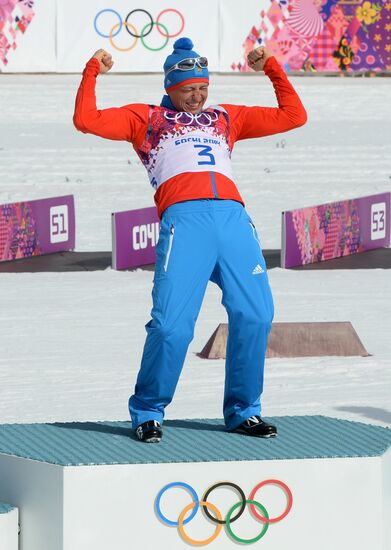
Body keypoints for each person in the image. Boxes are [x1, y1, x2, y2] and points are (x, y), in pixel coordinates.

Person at [73, 37, 307, 443]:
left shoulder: (226, 117)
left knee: (256, 316)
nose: (197, 97)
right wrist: (92, 69)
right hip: (185, 224)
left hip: (234, 221)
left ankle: (243, 411)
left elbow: (294, 116)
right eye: (187, 90)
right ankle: (148, 410)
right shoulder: (144, 118)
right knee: (171, 327)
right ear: (170, 87)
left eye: (202, 88)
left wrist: (271, 66)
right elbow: (86, 119)